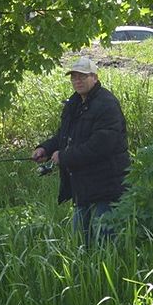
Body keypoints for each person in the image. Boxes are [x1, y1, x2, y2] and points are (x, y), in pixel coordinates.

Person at [33, 56, 130, 243]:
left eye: (82, 76)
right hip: (82, 186)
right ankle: (84, 272)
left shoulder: (107, 104)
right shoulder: (74, 103)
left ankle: (108, 272)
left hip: (107, 186)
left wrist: (64, 156)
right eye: (74, 77)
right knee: (80, 242)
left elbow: (101, 146)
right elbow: (64, 135)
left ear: (94, 77)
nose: (77, 81)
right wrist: (45, 149)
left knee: (106, 243)